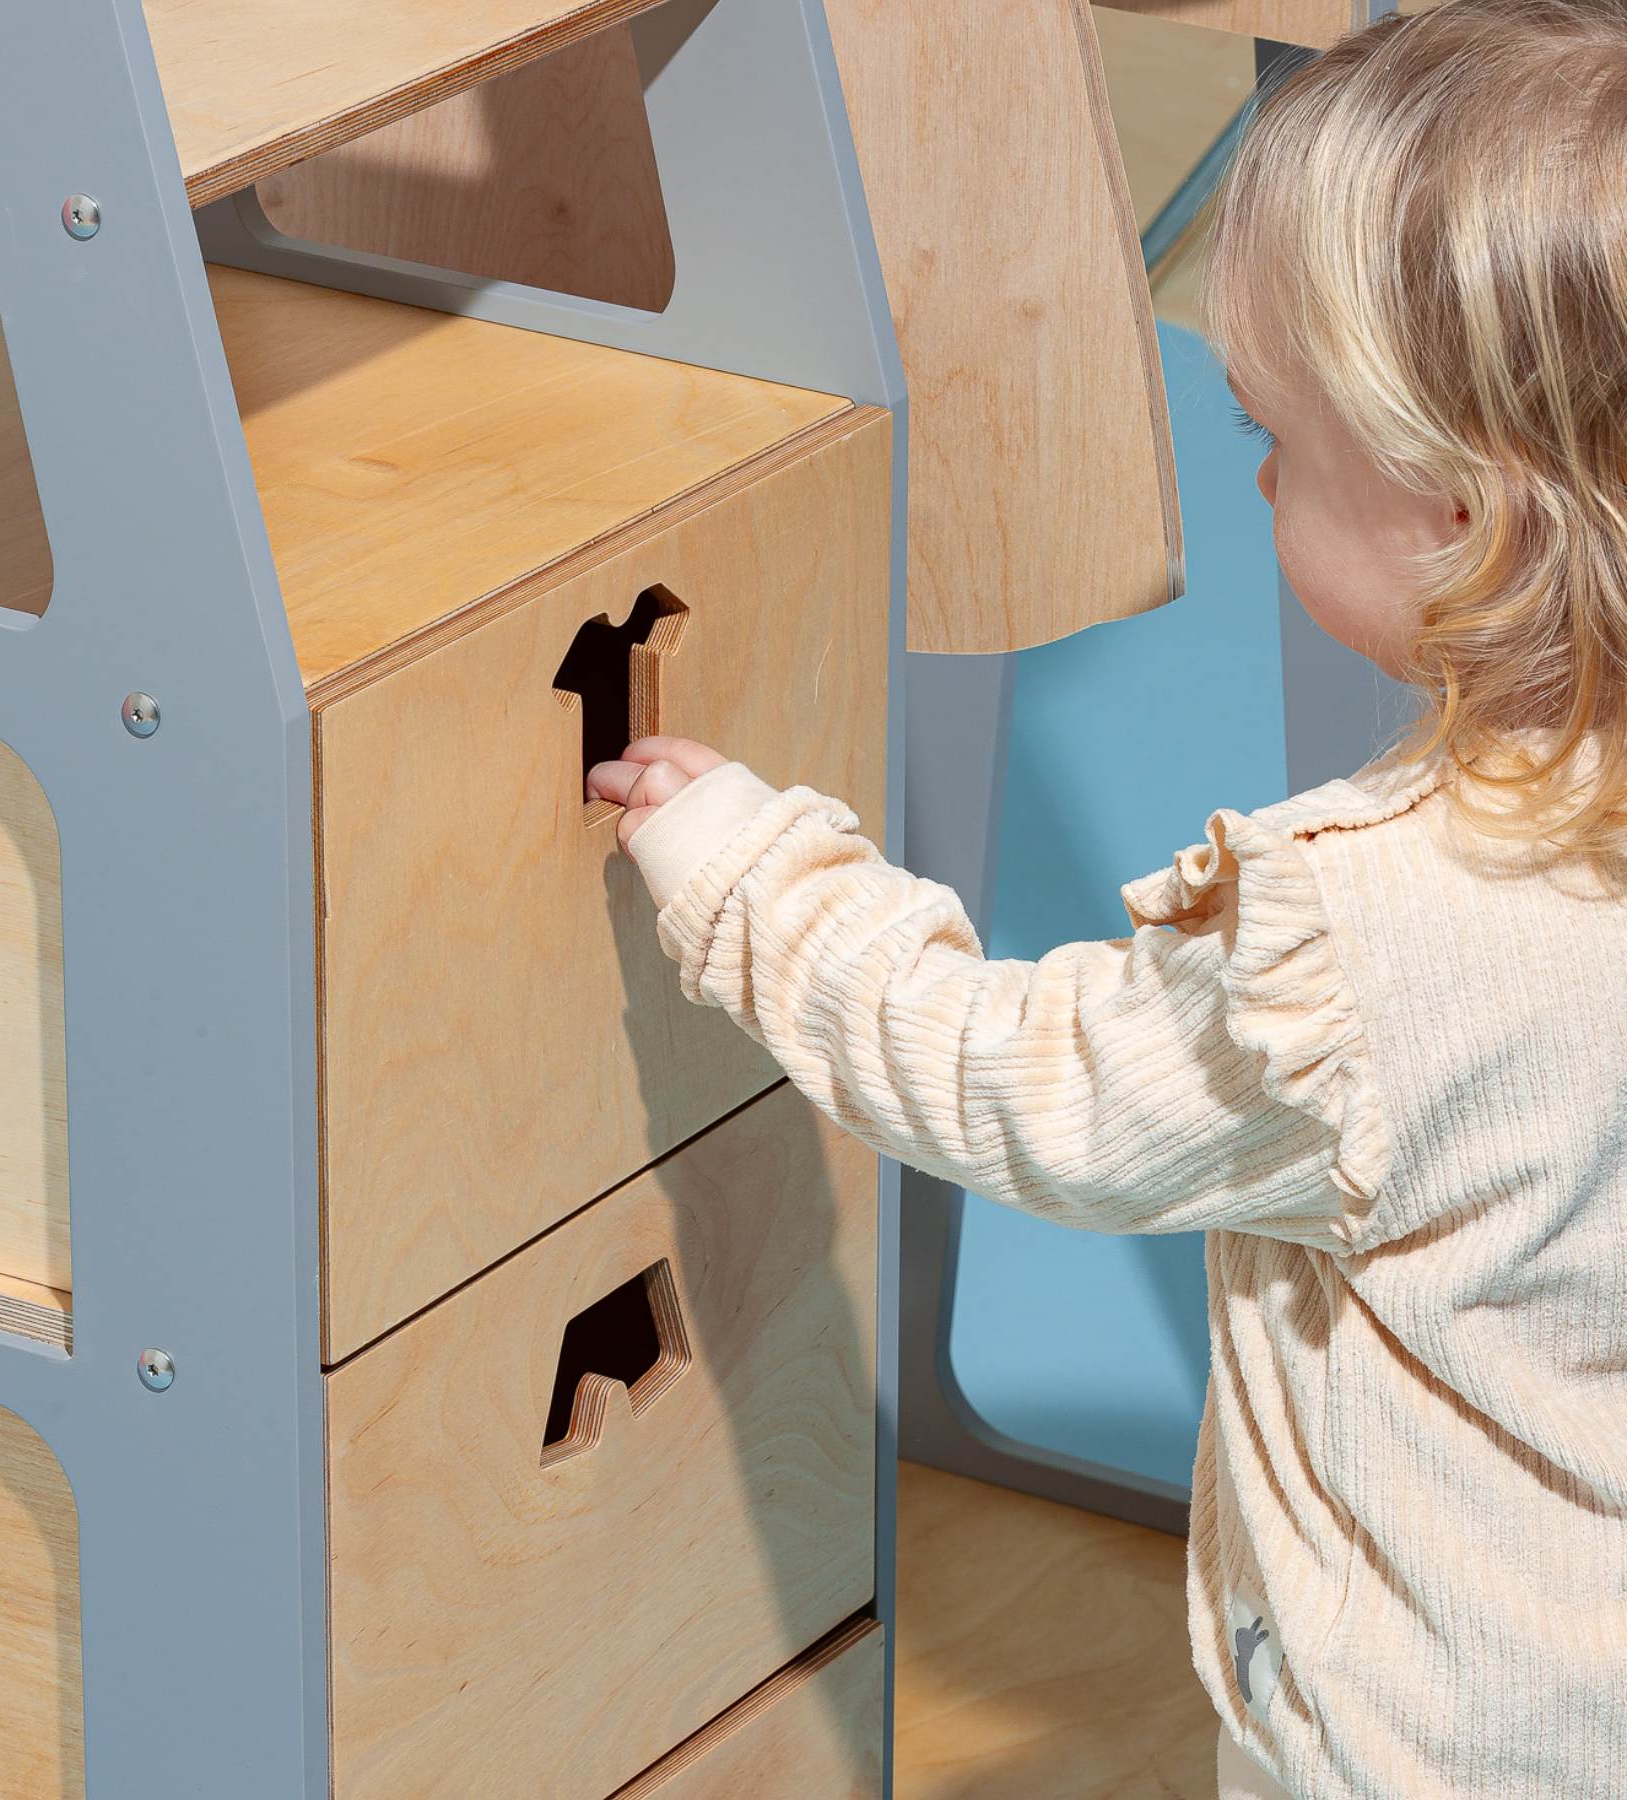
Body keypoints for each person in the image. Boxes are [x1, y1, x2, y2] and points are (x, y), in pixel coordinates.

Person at [584, 2, 1627, 1793]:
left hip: (1428, 1745)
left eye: (1278, 441)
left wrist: (759, 876)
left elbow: (1028, 1089)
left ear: (1470, 521)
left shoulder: (1378, 941)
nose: (1259, 478)